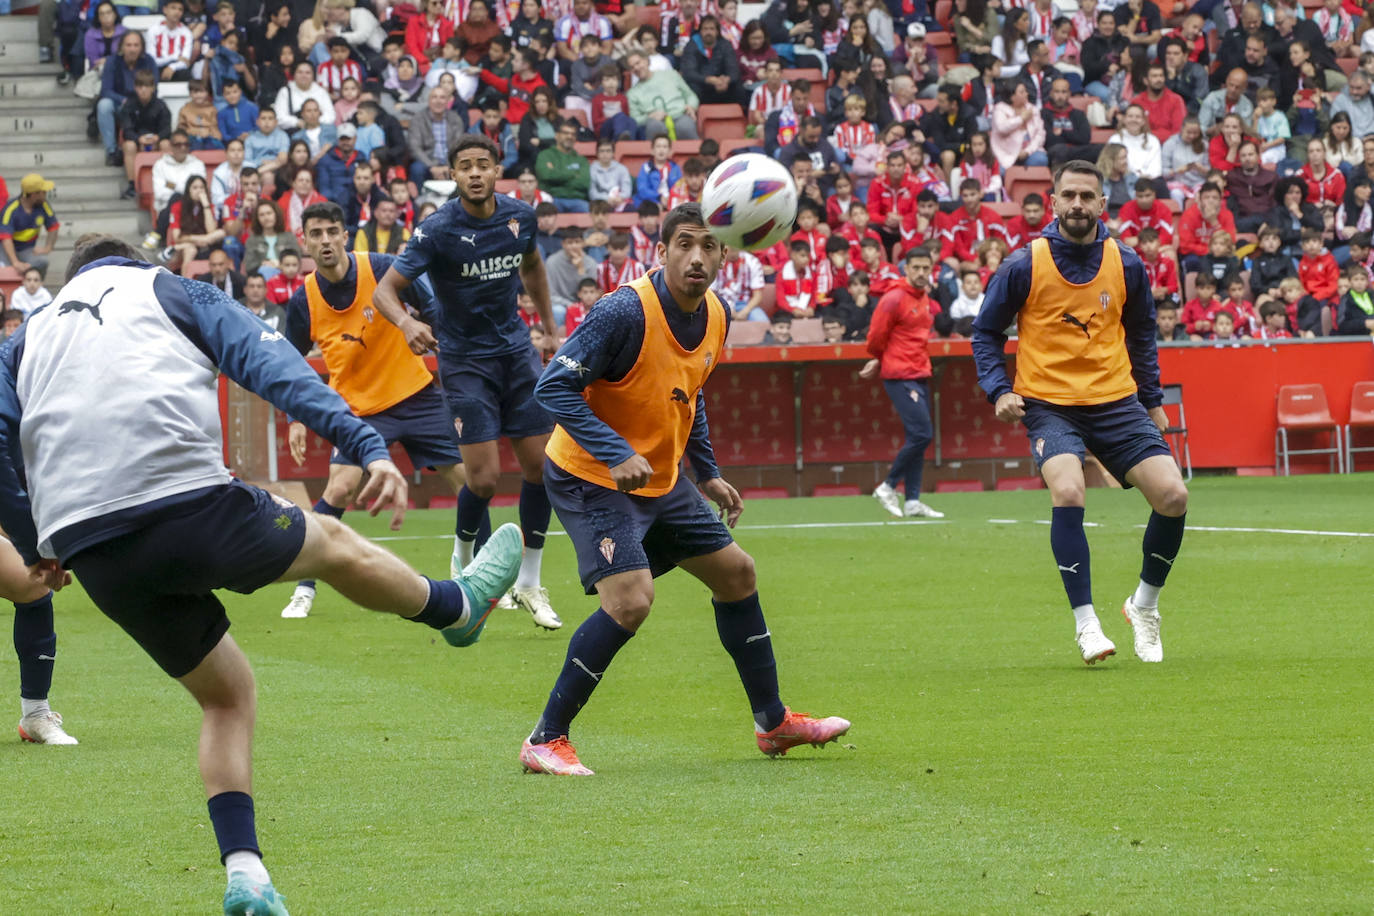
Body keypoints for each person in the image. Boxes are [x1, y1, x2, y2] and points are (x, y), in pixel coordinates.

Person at [0, 235, 525, 915]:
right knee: (333, 542)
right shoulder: (170, 288)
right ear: (135, 261)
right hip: (187, 503)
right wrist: (364, 443)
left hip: (93, 548)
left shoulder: (27, 334)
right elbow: (269, 364)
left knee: (226, 697)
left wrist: (34, 541)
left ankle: (246, 872)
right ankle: (457, 609)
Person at [516, 201, 851, 776]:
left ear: (725, 252)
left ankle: (773, 723)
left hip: (659, 479)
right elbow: (553, 388)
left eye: (708, 246)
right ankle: (545, 739)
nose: (697, 258)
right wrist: (615, 451)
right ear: (662, 250)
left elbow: (688, 395)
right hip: (589, 475)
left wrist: (709, 471)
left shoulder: (716, 315)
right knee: (630, 601)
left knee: (738, 573)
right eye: (684, 245)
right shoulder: (623, 311)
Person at [971, 160, 1189, 666]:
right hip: (1049, 404)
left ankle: (1144, 606)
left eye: (1086, 197)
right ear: (1053, 202)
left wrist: (1152, 400)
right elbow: (986, 332)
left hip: (1116, 401)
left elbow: (1141, 334)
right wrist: (998, 389)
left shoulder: (1127, 262)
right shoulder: (1023, 263)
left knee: (1174, 497)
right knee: (1068, 489)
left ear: (1101, 204)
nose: (1076, 205)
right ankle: (1086, 623)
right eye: (1067, 195)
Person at [373, 135, 564, 630]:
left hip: (517, 354)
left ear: (497, 170)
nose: (475, 173)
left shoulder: (519, 216)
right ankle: (462, 563)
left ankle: (528, 583)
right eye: (465, 167)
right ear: (453, 175)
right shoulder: (437, 229)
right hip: (464, 361)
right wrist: (408, 324)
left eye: (483, 165)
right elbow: (384, 290)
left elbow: (534, 267)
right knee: (482, 479)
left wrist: (549, 328)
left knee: (542, 468)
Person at [278, 202, 486, 619]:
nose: (324, 241)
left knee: (471, 485)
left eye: (331, 232)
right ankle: (304, 587)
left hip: (416, 395)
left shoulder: (384, 268)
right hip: (358, 411)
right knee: (337, 490)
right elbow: (286, 362)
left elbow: (435, 313)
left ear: (344, 235)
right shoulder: (305, 300)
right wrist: (296, 417)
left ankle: (493, 577)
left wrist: (440, 346)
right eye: (315, 234)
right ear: (304, 241)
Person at [864, 247, 945, 520]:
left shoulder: (923, 298)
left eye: (927, 268)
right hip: (900, 375)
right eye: (917, 268)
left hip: (918, 371)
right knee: (923, 434)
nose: (922, 273)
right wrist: (878, 358)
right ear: (906, 269)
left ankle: (912, 501)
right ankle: (887, 486)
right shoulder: (894, 298)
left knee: (918, 438)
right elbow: (875, 336)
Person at [0, 175, 61, 279]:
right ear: (34, 194)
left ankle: (35, 288)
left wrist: (48, 248)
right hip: (5, 250)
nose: (45, 195)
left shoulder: (44, 206)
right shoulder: (11, 210)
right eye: (44, 192)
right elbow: (6, 239)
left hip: (26, 249)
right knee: (5, 271)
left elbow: (54, 227)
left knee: (42, 262)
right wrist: (15, 262)